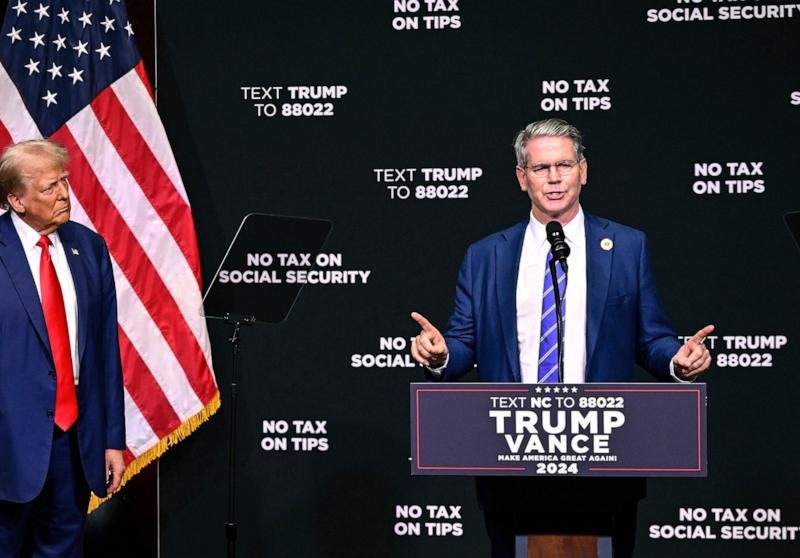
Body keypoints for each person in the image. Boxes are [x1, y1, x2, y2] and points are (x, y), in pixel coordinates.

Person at [410, 118, 713, 557]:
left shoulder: (627, 247)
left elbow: (651, 339)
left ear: (583, 171)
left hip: (605, 452)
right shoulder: (486, 255)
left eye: (564, 165)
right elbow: (463, 343)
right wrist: (439, 355)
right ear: (522, 178)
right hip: (511, 453)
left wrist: (678, 361)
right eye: (541, 168)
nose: (554, 178)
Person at [0, 139, 126, 558]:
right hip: (8, 444)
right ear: (17, 200)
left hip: (74, 443)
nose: (64, 194)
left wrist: (111, 439)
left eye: (64, 182)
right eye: (50, 187)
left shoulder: (89, 248)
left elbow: (106, 353)